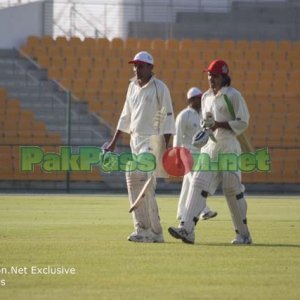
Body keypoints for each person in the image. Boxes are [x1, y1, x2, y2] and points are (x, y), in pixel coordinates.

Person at [168, 59, 252, 245]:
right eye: (209, 75)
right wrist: (205, 131)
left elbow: (243, 121)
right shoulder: (206, 97)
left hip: (229, 145)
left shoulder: (233, 95)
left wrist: (218, 124)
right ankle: (187, 229)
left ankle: (243, 235)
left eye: (215, 76)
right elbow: (207, 122)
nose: (211, 79)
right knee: (198, 182)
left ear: (224, 77)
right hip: (211, 146)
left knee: (231, 188)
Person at [105, 51, 175, 243]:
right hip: (135, 141)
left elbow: (168, 119)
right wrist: (112, 143)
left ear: (151, 68)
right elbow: (125, 116)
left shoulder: (160, 88)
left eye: (141, 65)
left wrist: (163, 148)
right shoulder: (132, 87)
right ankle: (144, 229)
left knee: (144, 181)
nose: (137, 69)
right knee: (136, 180)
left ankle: (154, 230)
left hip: (153, 141)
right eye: (135, 65)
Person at [173, 87, 217, 221]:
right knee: (195, 182)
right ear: (190, 100)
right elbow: (177, 136)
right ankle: (204, 209)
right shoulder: (183, 115)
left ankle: (181, 213)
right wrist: (177, 156)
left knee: (189, 184)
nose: (200, 100)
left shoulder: (203, 114)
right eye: (197, 98)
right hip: (186, 153)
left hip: (201, 154)